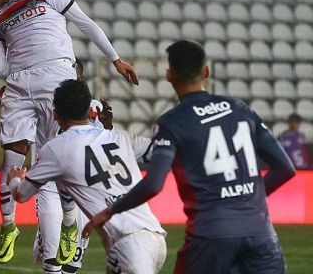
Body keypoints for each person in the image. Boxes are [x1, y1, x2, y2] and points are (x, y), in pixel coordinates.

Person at [0, 0, 139, 265]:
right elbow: (0, 64)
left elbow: (84, 22)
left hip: (56, 76)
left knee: (58, 152)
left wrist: (116, 59)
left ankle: (68, 222)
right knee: (11, 154)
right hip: (19, 83)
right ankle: (8, 225)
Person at [83, 40, 297, 274]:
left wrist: (110, 211)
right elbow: (286, 168)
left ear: (169, 75)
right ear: (206, 71)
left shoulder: (172, 123)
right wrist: (249, 198)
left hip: (209, 237)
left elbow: (154, 184)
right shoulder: (240, 109)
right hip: (261, 234)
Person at [7, 79, 166, 274]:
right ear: (88, 109)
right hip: (155, 236)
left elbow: (21, 195)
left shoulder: (56, 149)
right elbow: (161, 150)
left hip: (127, 245)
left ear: (55, 113)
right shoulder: (120, 137)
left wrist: (14, 178)